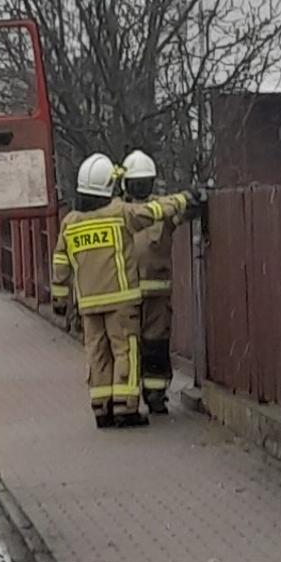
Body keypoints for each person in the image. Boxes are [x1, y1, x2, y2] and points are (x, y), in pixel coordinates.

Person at [50, 153, 196, 428]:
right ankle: (125, 408)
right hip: (120, 299)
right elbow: (153, 211)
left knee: (97, 353)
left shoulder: (70, 222)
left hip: (89, 303)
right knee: (125, 351)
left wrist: (59, 298)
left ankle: (101, 409)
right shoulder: (119, 214)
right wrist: (184, 199)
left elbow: (60, 262)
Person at [118, 150, 179, 414]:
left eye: (145, 182)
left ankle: (155, 395)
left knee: (155, 345)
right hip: (126, 294)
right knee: (129, 347)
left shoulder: (162, 209)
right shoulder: (117, 211)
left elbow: (181, 211)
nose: (142, 188)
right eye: (137, 183)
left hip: (154, 295)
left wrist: (195, 199)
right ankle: (127, 400)